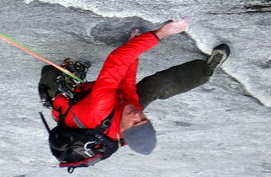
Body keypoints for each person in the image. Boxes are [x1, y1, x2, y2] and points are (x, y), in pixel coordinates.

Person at [39, 19, 230, 167]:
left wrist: (161, 33)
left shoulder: (101, 109)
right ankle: (206, 69)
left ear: (123, 131)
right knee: (154, 86)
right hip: (113, 111)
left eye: (135, 122)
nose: (138, 115)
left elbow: (115, 61)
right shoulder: (131, 115)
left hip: (86, 108)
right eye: (144, 119)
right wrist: (134, 48)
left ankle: (53, 89)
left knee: (51, 75)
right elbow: (127, 86)